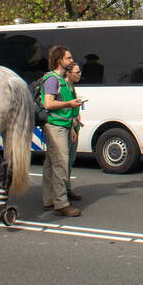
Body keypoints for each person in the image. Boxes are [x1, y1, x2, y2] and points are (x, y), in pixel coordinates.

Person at [40, 45, 84, 216]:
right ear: (59, 60)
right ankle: (61, 203)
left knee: (51, 165)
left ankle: (49, 200)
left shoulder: (60, 80)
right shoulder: (52, 79)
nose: (71, 61)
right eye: (68, 58)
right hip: (55, 127)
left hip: (61, 125)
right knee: (61, 164)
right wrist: (69, 104)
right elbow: (48, 104)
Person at [64, 61, 83, 203]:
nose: (79, 74)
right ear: (68, 73)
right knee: (63, 162)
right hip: (69, 128)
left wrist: (78, 117)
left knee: (70, 161)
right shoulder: (64, 87)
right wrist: (72, 127)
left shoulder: (72, 88)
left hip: (75, 126)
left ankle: (67, 188)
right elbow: (64, 110)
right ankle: (62, 192)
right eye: (77, 72)